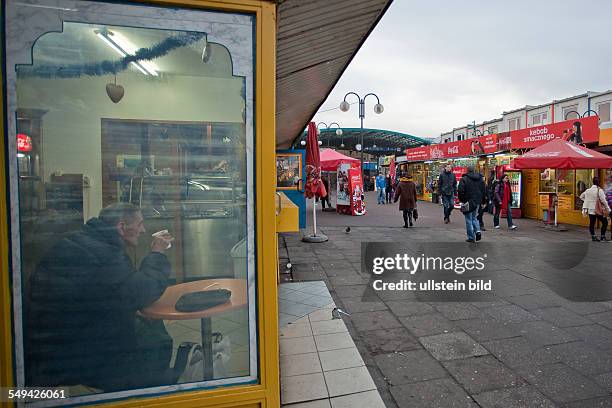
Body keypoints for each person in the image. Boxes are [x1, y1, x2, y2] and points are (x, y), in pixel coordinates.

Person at [25, 203, 186, 392]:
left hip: (52, 339)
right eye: (140, 224)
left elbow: (105, 292)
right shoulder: (104, 253)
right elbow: (143, 291)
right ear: (121, 226)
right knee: (155, 338)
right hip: (69, 352)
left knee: (147, 324)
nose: (143, 230)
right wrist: (157, 253)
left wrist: (129, 309)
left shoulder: (84, 240)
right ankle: (148, 391)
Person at [458, 166, 486, 243]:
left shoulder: (464, 179)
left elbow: (460, 190)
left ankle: (471, 237)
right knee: (474, 217)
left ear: (467, 171)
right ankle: (478, 231)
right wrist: (483, 201)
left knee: (468, 219)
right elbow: (484, 191)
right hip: (477, 201)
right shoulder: (480, 179)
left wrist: (462, 200)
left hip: (468, 201)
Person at [580, 177, 610, 242]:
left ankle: (593, 237)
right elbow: (603, 201)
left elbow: (581, 196)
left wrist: (588, 201)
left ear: (593, 182)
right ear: (598, 183)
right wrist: (608, 209)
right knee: (605, 222)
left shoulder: (588, 190)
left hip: (591, 210)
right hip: (598, 210)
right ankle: (602, 237)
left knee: (592, 223)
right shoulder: (599, 190)